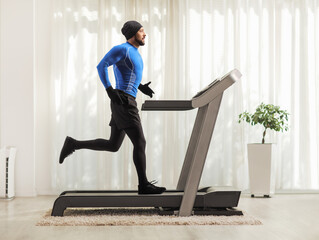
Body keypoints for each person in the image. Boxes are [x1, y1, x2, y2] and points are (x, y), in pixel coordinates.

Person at [59, 20, 166, 195]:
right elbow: (101, 66)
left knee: (113, 144)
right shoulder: (122, 49)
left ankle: (73, 144)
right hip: (124, 101)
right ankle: (144, 185)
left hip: (125, 99)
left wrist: (140, 87)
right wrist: (109, 90)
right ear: (133, 34)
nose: (145, 34)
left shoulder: (135, 53)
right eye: (141, 31)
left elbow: (127, 74)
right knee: (140, 141)